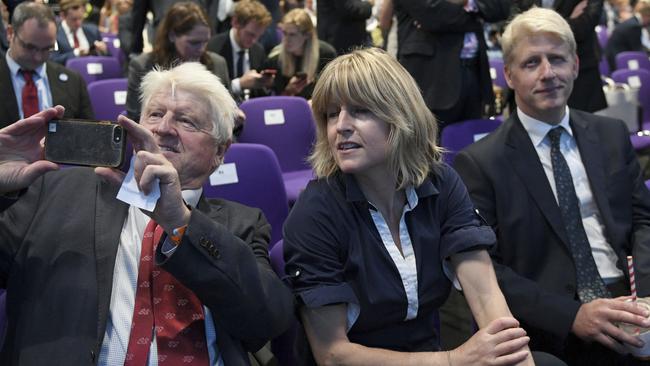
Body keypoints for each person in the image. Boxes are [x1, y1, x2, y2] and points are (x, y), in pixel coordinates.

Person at [0, 61, 293, 365]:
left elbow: (269, 319)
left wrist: (181, 223)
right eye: (155, 114)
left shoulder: (241, 223)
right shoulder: (57, 191)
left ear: (220, 152)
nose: (164, 128)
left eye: (187, 121)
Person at [282, 47, 545, 366]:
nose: (341, 126)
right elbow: (333, 354)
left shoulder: (441, 182)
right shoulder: (315, 211)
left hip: (431, 353)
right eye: (331, 113)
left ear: (401, 116)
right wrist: (452, 360)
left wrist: (516, 360)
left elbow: (488, 297)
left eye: (361, 111)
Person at [454, 7, 650, 365]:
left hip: (629, 300)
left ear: (575, 65)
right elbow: (488, 269)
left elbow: (643, 222)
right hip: (552, 324)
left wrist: (645, 301)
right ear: (509, 75)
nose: (548, 74)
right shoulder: (481, 163)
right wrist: (572, 316)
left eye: (557, 60)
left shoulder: (610, 135)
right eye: (532, 63)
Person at [393, 0, 510, 127]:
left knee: (470, 142)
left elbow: (501, 7)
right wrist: (477, 19)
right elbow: (433, 15)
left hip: (474, 73)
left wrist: (466, 2)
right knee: (430, 141)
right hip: (431, 77)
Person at [126, 1, 230, 122]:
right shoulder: (143, 66)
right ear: (172, 35)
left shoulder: (217, 64)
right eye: (194, 43)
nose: (202, 49)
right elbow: (135, 118)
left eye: (205, 41)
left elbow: (229, 110)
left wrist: (233, 117)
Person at [0, 2, 93, 128]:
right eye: (30, 47)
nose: (38, 57)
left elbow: (89, 138)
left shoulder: (74, 82)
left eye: (47, 48)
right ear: (10, 33)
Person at [511, 0, 607, 113]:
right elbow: (513, 26)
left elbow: (584, 26)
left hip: (582, 74)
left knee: (585, 126)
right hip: (532, 70)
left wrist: (535, 28)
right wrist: (567, 22)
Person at [206, 0, 273, 101]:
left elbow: (260, 95)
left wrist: (264, 84)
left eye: (259, 36)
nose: (254, 41)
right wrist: (239, 84)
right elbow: (211, 92)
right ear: (235, 22)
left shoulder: (258, 50)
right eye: (250, 34)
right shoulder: (213, 48)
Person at [264, 8, 336, 99]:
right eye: (284, 33)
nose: (286, 40)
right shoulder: (276, 59)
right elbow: (273, 102)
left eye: (292, 35)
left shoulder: (326, 54)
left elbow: (333, 93)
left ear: (307, 35)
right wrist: (289, 91)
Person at [50, 0, 109, 65]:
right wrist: (76, 53)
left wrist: (104, 51)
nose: (78, 23)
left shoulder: (93, 31)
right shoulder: (54, 35)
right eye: (74, 19)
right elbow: (53, 60)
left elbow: (109, 59)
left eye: (80, 18)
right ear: (63, 16)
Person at [605, 0, 650, 70]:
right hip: (617, 61)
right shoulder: (634, 26)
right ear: (647, 16)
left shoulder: (633, 22)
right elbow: (637, 49)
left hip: (616, 56)